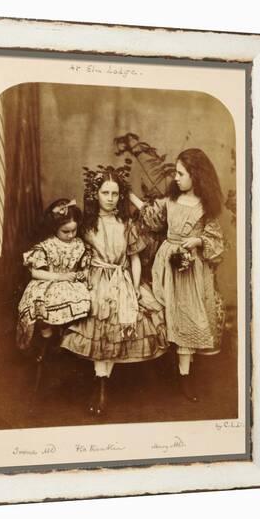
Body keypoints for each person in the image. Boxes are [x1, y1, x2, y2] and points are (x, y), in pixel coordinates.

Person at [61, 166, 167, 415]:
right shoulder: (86, 224)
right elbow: (61, 226)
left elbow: (134, 259)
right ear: (95, 194)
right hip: (96, 279)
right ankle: (100, 383)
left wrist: (136, 286)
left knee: (120, 323)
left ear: (120, 196)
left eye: (115, 193)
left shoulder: (126, 223)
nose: (110, 198)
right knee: (100, 322)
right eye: (105, 192)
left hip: (122, 278)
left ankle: (103, 382)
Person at [129, 148, 225, 402]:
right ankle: (161, 370)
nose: (176, 179)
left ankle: (185, 376)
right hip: (166, 264)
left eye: (181, 174)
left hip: (189, 268)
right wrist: (129, 195)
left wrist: (198, 241)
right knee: (164, 312)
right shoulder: (170, 201)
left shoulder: (205, 207)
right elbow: (153, 217)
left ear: (197, 175)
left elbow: (215, 241)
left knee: (186, 315)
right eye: (175, 173)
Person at [17, 199, 91, 360]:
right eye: (66, 232)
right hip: (48, 281)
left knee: (82, 300)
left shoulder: (79, 244)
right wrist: (59, 276)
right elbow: (35, 272)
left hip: (70, 283)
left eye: (74, 230)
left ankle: (66, 340)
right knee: (41, 303)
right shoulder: (47, 245)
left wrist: (81, 273)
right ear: (54, 228)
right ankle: (47, 336)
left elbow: (83, 266)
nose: (71, 235)